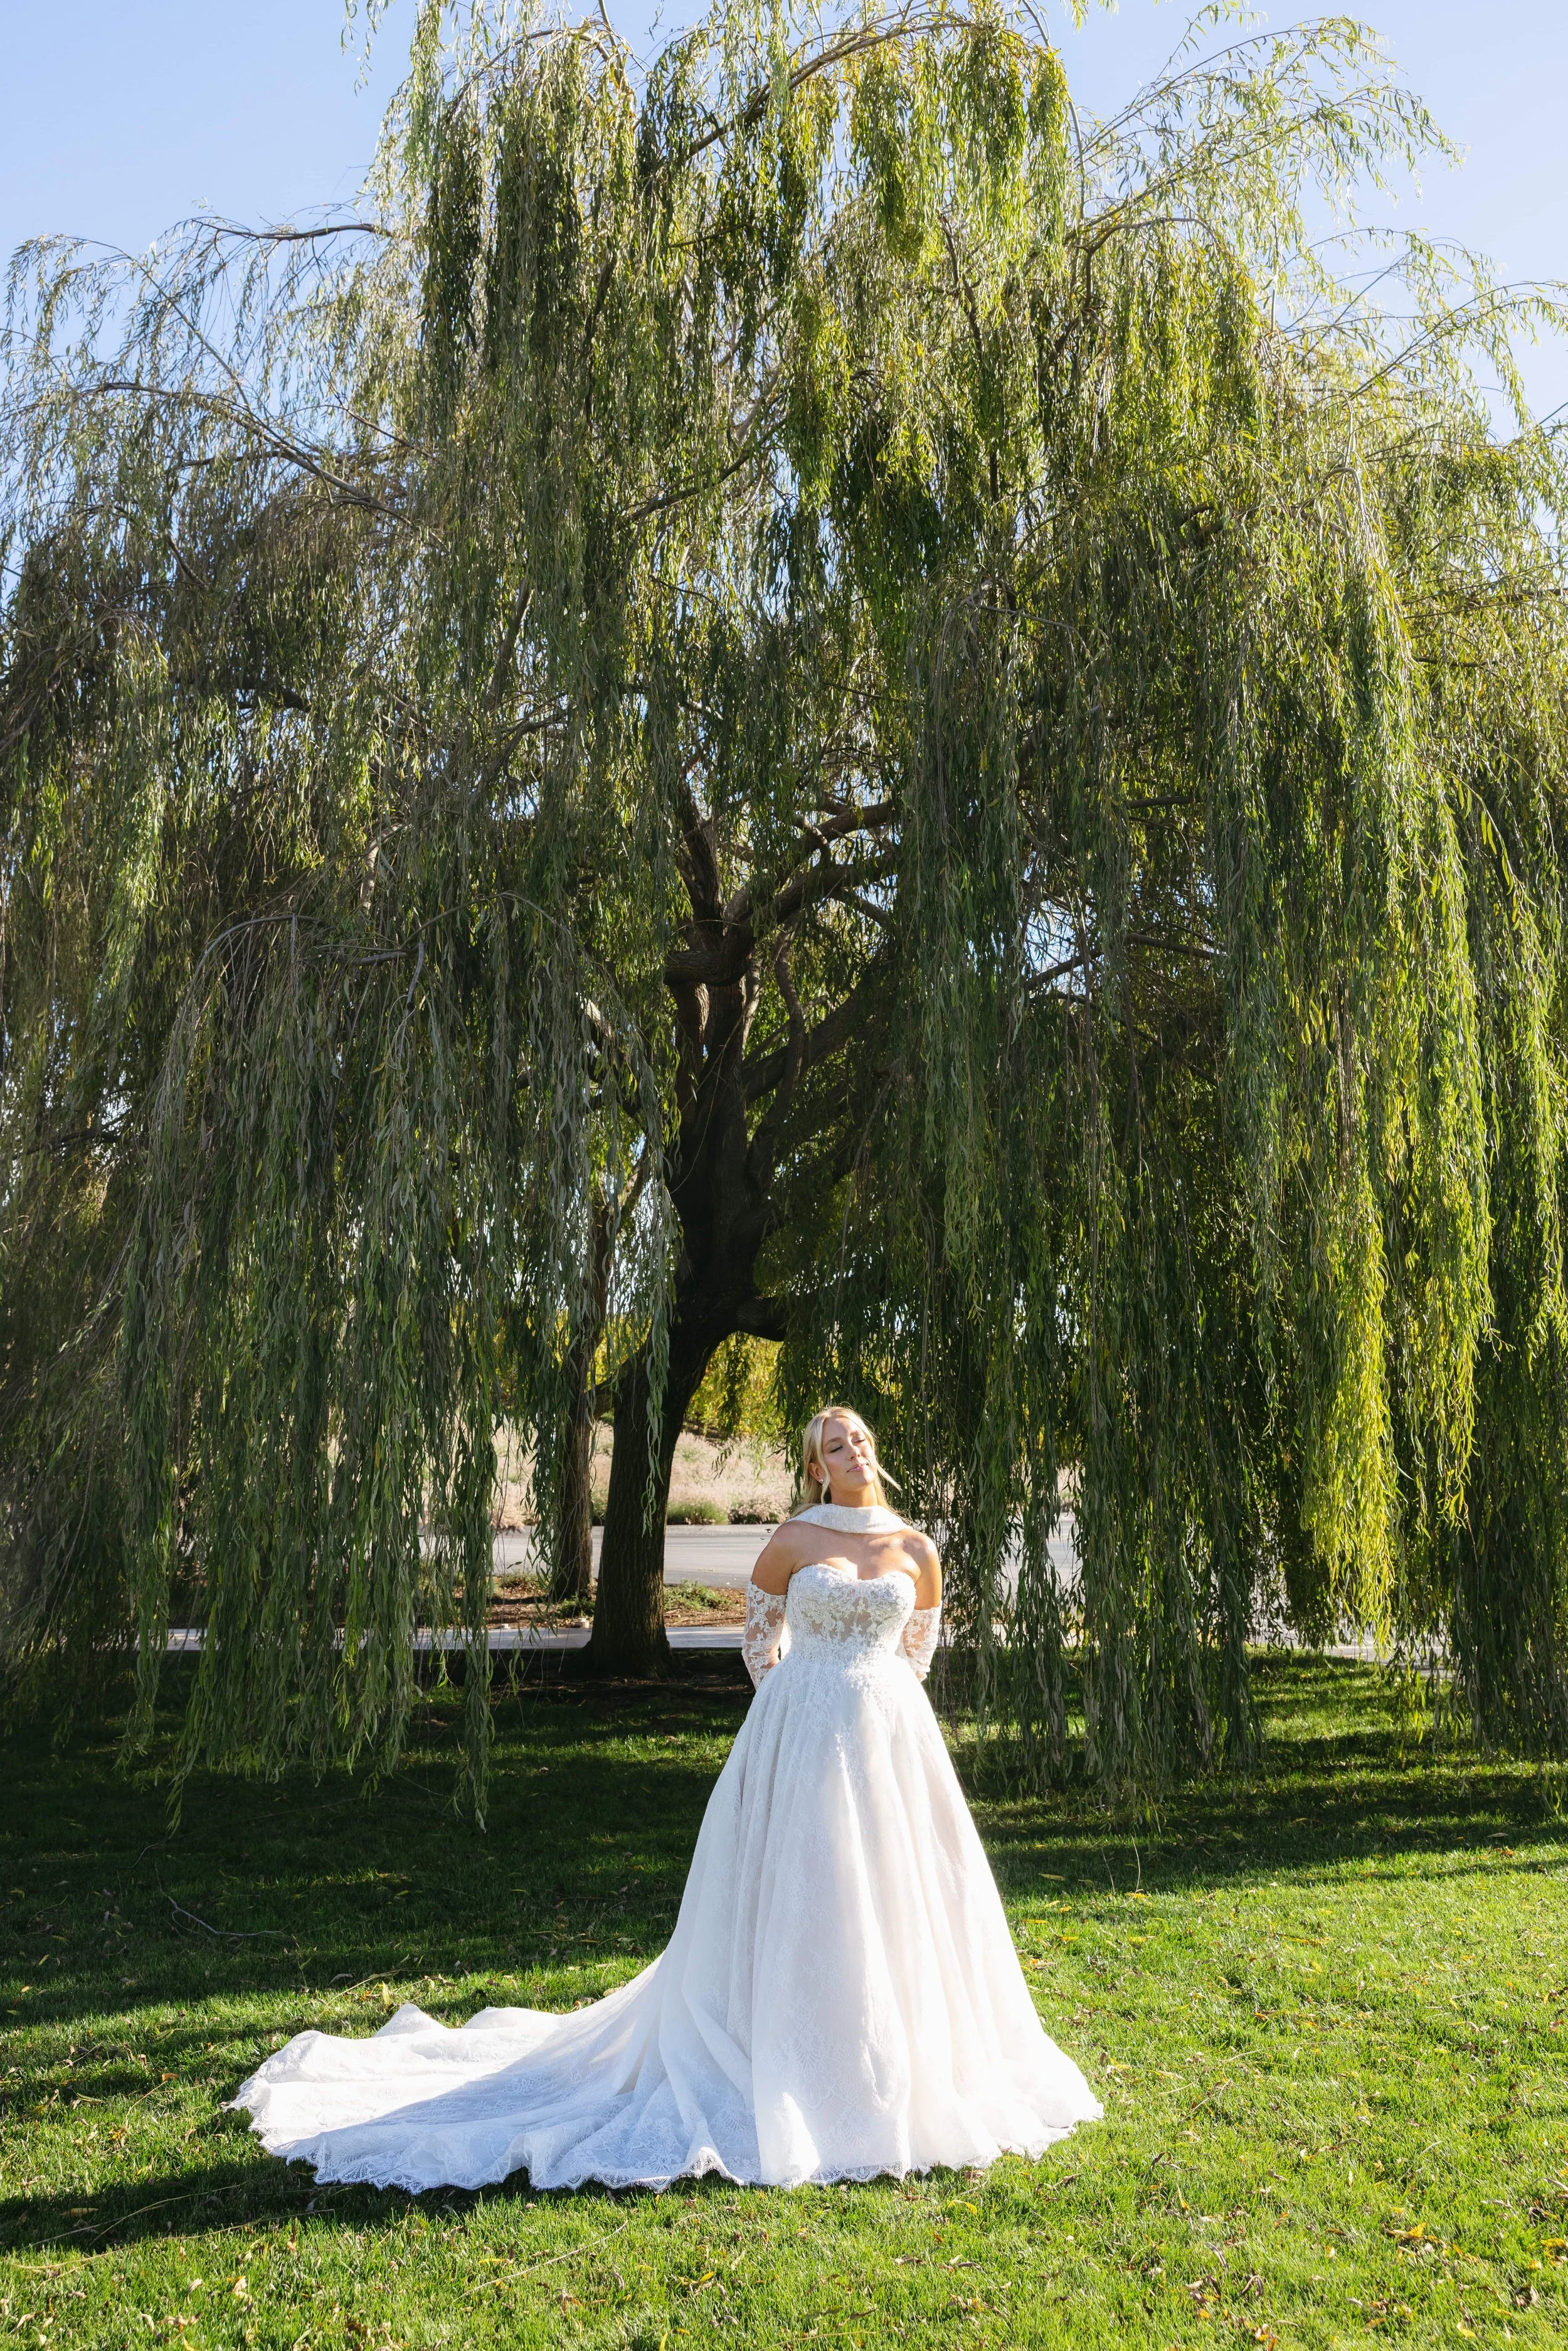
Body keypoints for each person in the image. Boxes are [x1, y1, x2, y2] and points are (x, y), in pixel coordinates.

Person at [232, 1406, 1101, 2191]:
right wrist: (797, 1710)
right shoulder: (797, 1536)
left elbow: (919, 1645)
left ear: (876, 1447)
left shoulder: (916, 1545)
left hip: (890, 1740)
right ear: (815, 1465)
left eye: (861, 1437)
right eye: (834, 1444)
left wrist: (875, 1707)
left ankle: (886, 2061)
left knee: (893, 1888)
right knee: (802, 1889)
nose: (852, 1450)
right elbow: (761, 1635)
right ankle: (781, 2045)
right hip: (800, 1732)